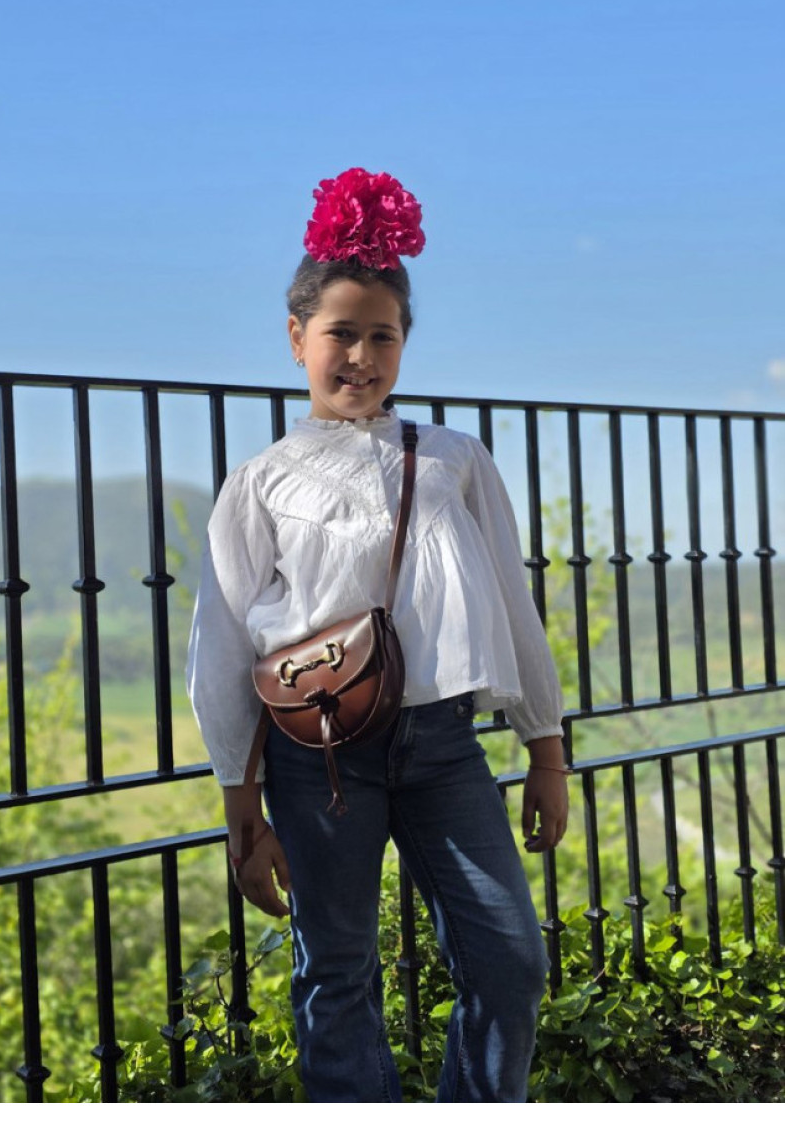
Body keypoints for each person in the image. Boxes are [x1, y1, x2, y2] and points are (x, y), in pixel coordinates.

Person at [187, 167, 569, 1103]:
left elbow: (511, 603)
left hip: (442, 745)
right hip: (316, 757)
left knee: (510, 960)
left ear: (405, 343)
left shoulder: (453, 460)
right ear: (296, 338)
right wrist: (241, 806)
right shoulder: (259, 483)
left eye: (382, 336)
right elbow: (224, 644)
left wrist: (546, 748)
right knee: (336, 972)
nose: (360, 356)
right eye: (340, 333)